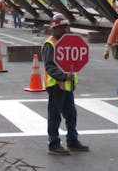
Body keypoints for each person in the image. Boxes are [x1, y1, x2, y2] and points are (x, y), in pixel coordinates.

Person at [41, 13, 89, 156]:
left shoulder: (68, 43)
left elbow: (72, 65)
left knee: (71, 114)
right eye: (61, 27)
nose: (64, 30)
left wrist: (71, 80)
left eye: (65, 27)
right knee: (55, 116)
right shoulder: (50, 44)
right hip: (55, 85)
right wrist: (63, 76)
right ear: (54, 29)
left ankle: (72, 141)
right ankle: (54, 144)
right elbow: (50, 67)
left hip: (66, 85)